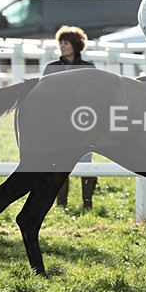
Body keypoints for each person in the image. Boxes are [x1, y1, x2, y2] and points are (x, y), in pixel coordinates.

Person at [42, 26, 98, 211]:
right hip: (58, 123)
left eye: (66, 42)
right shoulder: (51, 68)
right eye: (61, 42)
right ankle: (61, 202)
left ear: (75, 45)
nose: (62, 45)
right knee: (59, 162)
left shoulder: (89, 69)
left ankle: (87, 202)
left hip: (83, 122)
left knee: (86, 162)